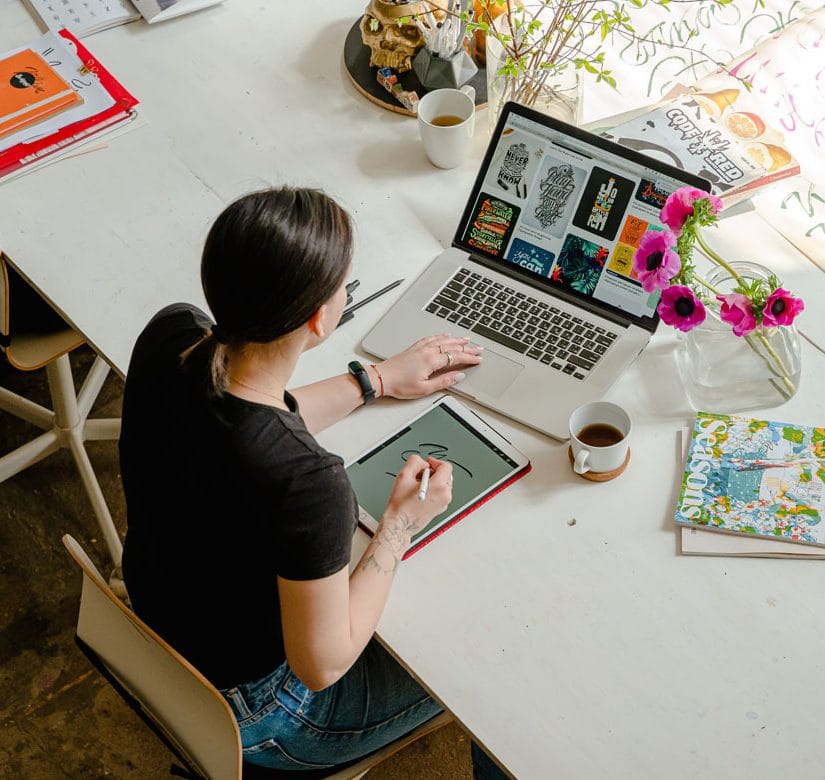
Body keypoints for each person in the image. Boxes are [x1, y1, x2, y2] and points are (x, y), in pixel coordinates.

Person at [119, 186, 502, 774]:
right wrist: (399, 525)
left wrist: (374, 380)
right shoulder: (309, 483)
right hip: (266, 712)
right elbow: (321, 665)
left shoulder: (172, 337)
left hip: (158, 638)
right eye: (346, 284)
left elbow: (246, 410)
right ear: (321, 319)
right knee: (489, 668)